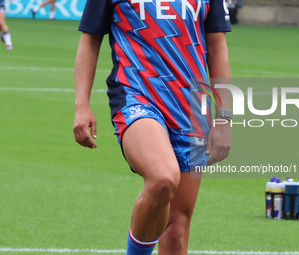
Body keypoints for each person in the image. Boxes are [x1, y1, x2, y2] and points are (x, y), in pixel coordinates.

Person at [73, 0, 232, 254]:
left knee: (176, 229)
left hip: (192, 106)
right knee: (163, 178)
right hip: (137, 96)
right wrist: (82, 105)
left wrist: (224, 117)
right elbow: (90, 40)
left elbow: (217, 48)